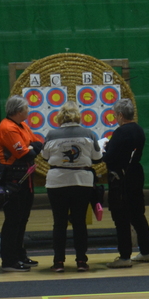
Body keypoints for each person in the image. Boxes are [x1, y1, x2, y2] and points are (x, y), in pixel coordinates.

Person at [41, 104, 102, 273]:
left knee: (59, 223)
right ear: (78, 116)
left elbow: (44, 156)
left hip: (57, 183)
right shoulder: (89, 134)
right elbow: (97, 157)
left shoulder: (51, 134)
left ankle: (58, 262)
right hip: (82, 182)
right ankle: (81, 261)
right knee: (79, 222)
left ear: (60, 117)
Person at [0, 94, 42, 271]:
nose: (28, 111)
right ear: (19, 111)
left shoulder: (22, 125)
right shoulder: (7, 128)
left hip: (25, 179)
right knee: (13, 220)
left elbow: (38, 144)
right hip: (12, 179)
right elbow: (26, 154)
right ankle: (9, 260)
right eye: (26, 108)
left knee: (22, 219)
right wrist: (31, 148)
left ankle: (20, 255)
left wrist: (32, 147)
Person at [105, 99, 149, 268]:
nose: (115, 118)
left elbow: (110, 157)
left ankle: (124, 256)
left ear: (120, 115)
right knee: (137, 214)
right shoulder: (138, 129)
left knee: (121, 216)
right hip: (135, 174)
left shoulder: (121, 132)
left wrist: (105, 149)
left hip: (121, 178)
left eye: (115, 115)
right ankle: (146, 251)